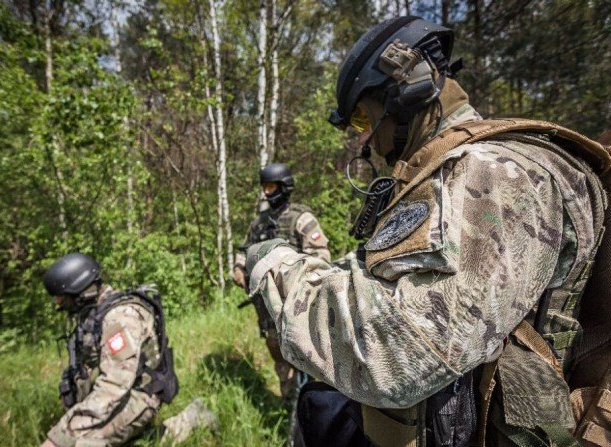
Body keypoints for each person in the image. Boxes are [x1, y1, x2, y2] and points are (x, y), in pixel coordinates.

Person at [245, 16, 611, 447]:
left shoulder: (492, 175)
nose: (368, 142)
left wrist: (276, 265)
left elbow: (397, 352)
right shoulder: (460, 175)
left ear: (409, 87)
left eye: (363, 118)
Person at [41, 253, 216, 447]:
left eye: (62, 298)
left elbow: (115, 385)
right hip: (121, 393)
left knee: (80, 443)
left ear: (80, 294)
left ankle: (192, 417)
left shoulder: (119, 319)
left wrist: (63, 433)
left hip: (140, 396)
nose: (58, 304)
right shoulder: (93, 315)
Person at [233, 162, 331, 400]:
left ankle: (313, 399)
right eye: (264, 187)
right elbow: (244, 251)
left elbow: (321, 256)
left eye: (270, 187)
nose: (266, 192)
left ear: (284, 186)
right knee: (277, 350)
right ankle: (288, 398)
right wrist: (238, 269)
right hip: (267, 306)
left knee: (306, 354)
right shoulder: (259, 222)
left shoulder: (301, 218)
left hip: (297, 303)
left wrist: (289, 275)